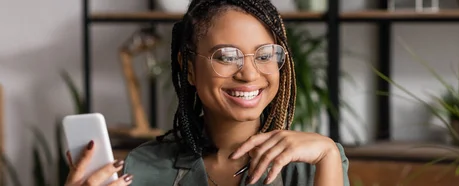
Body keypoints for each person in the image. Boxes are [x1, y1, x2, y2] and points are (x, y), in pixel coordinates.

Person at [64, 0, 349, 185]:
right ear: (188, 68)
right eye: (226, 56)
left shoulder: (313, 163)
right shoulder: (144, 168)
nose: (249, 74)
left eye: (264, 55)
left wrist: (327, 155)